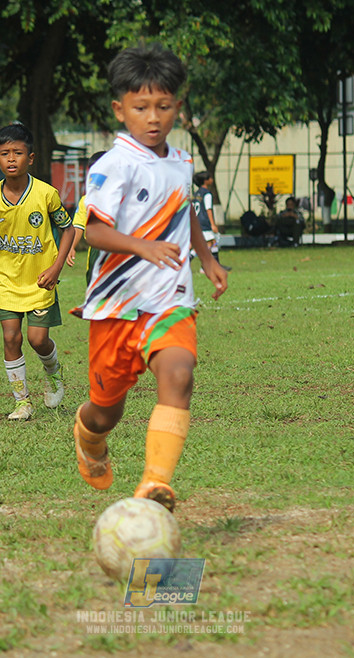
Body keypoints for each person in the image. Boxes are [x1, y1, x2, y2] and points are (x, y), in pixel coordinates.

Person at [71, 43, 228, 512]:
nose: (153, 117)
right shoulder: (112, 165)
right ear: (120, 109)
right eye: (141, 108)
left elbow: (187, 213)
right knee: (106, 411)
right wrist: (142, 246)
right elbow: (92, 231)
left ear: (177, 106)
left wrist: (208, 258)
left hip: (169, 299)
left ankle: (154, 485)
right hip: (117, 307)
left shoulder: (181, 163)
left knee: (179, 373)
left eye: (163, 106)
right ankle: (88, 439)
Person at [0, 123, 75, 420]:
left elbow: (67, 229)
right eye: (5, 153)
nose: (11, 159)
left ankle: (53, 370)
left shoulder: (46, 194)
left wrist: (56, 267)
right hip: (6, 281)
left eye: (17, 153)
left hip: (41, 280)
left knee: (37, 340)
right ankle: (22, 402)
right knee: (10, 338)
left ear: (30, 158)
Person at [66, 150, 106, 285]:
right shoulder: (86, 200)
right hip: (96, 250)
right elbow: (78, 225)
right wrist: (71, 246)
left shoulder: (122, 197)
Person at [190, 171, 231, 270]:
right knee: (208, 244)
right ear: (206, 181)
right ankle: (195, 262)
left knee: (212, 242)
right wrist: (213, 224)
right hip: (204, 222)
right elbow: (208, 209)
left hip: (197, 221)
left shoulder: (196, 194)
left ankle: (216, 264)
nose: (212, 179)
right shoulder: (207, 194)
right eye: (210, 178)